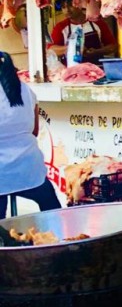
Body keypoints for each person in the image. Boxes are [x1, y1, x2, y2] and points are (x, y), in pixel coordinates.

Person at [0, 52, 61, 218]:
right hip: (29, 170)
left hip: (2, 174)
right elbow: (34, 131)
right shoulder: (26, 90)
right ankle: (62, 237)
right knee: (52, 208)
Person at [50, 0, 117, 65]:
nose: (67, 10)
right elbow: (50, 50)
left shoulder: (97, 23)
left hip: (97, 69)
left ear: (80, 4)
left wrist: (97, 51)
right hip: (72, 72)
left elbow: (113, 46)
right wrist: (73, 48)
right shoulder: (60, 27)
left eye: (70, 5)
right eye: (63, 7)